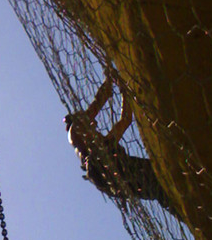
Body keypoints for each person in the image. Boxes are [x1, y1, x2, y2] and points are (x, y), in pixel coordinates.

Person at [64, 76, 177, 216]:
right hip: (114, 174)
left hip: (122, 178)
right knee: (161, 181)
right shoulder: (77, 133)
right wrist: (111, 81)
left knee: (161, 187)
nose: (95, 124)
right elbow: (97, 104)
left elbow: (125, 119)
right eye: (90, 122)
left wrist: (123, 91)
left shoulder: (103, 148)